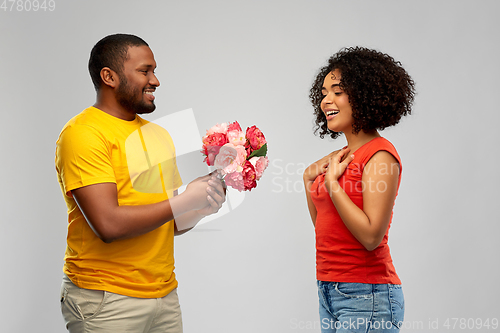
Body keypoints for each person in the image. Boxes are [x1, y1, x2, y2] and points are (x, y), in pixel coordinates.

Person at [55, 33, 226, 333]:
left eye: (154, 71)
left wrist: (202, 205)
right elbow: (108, 225)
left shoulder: (159, 136)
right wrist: (185, 199)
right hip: (106, 300)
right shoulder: (83, 134)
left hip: (164, 297)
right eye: (145, 71)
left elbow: (168, 222)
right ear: (109, 76)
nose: (155, 80)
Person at [303, 47, 415, 333]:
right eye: (324, 92)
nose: (326, 100)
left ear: (364, 95)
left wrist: (332, 186)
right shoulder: (340, 157)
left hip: (367, 295)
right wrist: (308, 181)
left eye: (337, 91)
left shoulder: (380, 156)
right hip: (329, 288)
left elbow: (369, 237)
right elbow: (327, 229)